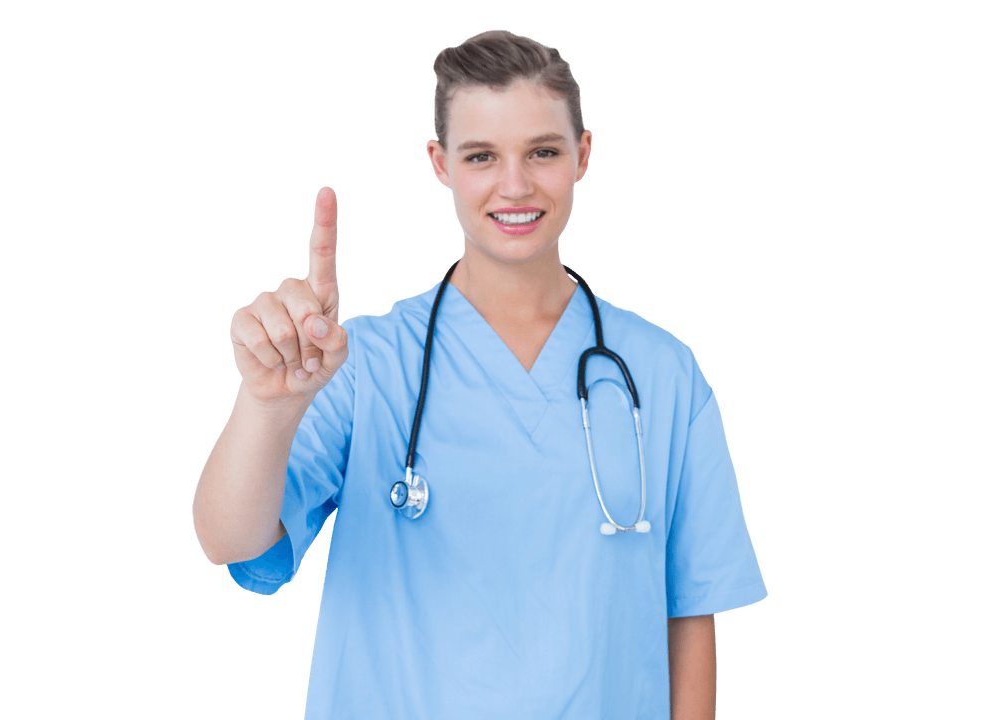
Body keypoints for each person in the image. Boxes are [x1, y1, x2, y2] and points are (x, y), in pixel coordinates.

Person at [192, 29, 766, 719]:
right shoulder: (365, 363)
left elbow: (689, 616)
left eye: (543, 152)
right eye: (482, 156)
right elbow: (229, 541)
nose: (515, 185)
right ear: (440, 164)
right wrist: (267, 404)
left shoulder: (662, 374)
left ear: (583, 155)